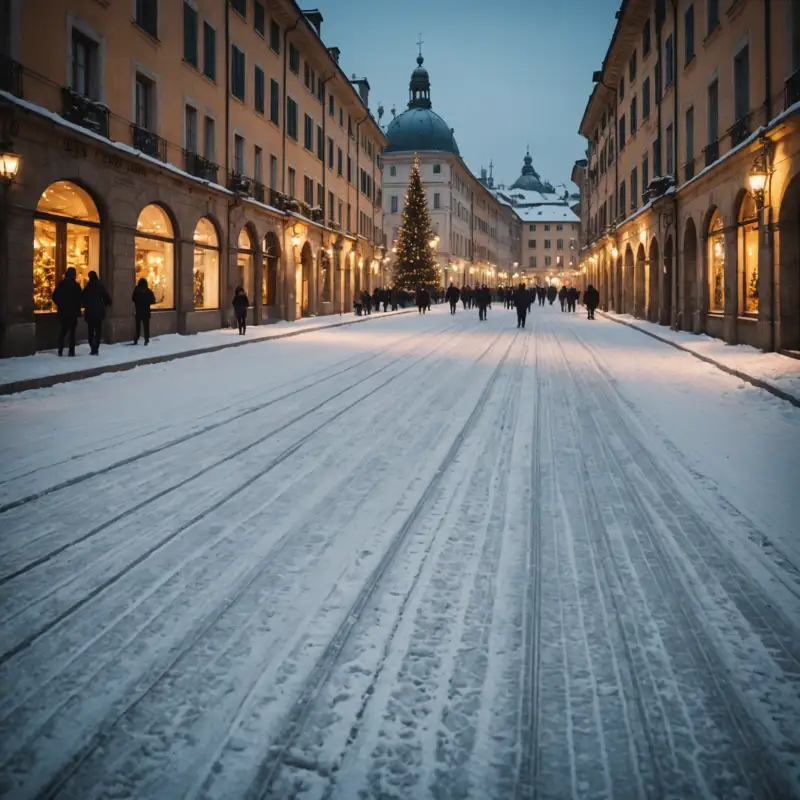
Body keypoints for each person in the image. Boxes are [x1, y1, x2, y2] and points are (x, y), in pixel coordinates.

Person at [52, 267, 84, 357]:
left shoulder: (62, 284)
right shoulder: (76, 285)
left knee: (63, 331)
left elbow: (54, 296)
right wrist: (78, 308)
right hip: (73, 313)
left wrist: (60, 304)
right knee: (72, 333)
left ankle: (60, 350)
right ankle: (71, 351)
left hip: (63, 312)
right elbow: (80, 299)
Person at [81, 270, 112, 356]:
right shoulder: (100, 286)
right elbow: (107, 298)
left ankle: (92, 347)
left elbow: (82, 298)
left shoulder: (88, 286)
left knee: (90, 330)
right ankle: (96, 348)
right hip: (98, 311)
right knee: (98, 330)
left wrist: (85, 305)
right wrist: (105, 304)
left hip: (90, 311)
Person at [132, 277, 156, 345]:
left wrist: (138, 302)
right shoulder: (148, 291)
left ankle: (136, 338)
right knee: (146, 326)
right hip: (146, 311)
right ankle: (146, 339)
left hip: (138, 311)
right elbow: (153, 301)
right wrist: (147, 302)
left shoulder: (136, 290)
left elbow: (133, 298)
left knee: (138, 326)